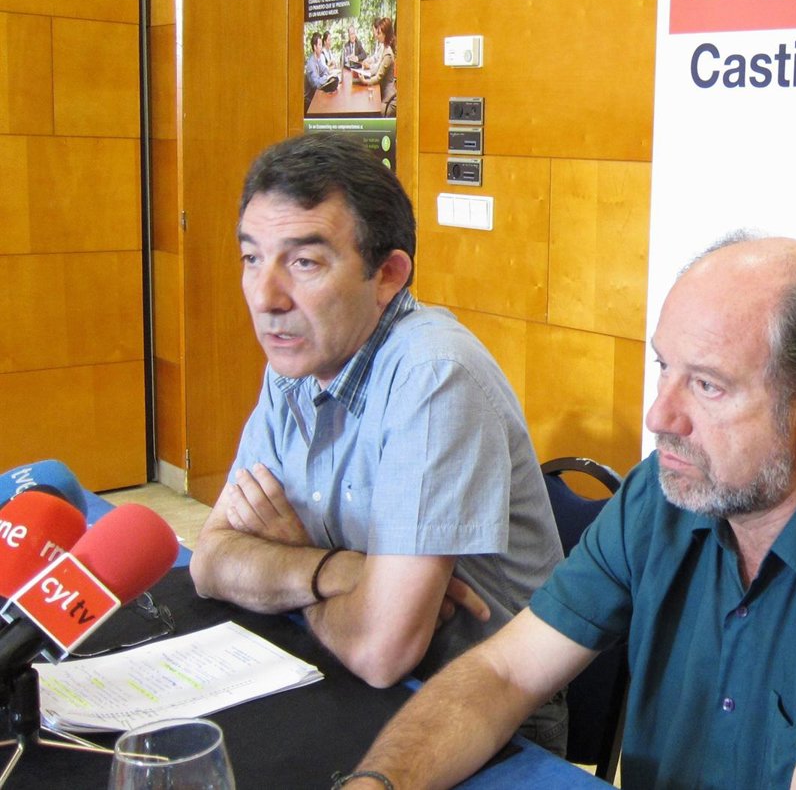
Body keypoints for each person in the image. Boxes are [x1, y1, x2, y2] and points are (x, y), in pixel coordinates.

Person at [338, 233, 796, 790]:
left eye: (707, 385)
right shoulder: (665, 494)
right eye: (664, 367)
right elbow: (504, 672)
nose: (659, 416)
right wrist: (379, 783)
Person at [189, 133, 566, 747]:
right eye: (252, 258)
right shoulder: (294, 364)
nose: (265, 297)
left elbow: (379, 650)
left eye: (304, 263)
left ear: (388, 274)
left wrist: (287, 567)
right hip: (343, 678)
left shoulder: (434, 376)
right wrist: (339, 570)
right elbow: (210, 561)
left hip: (477, 712)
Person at [356, 16, 397, 117]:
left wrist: (365, 81)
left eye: (379, 33)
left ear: (385, 34)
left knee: (373, 114)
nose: (377, 36)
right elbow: (377, 68)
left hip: (389, 100)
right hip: (383, 95)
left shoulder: (388, 54)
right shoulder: (384, 49)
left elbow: (378, 77)